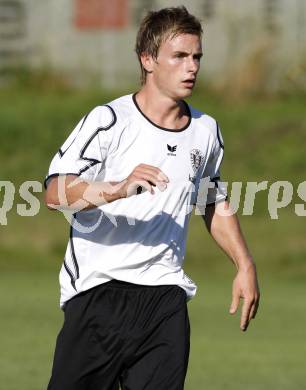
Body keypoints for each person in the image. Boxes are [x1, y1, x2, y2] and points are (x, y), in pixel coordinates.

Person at [44, 6, 260, 390]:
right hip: (98, 293)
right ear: (148, 59)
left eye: (196, 57)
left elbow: (211, 200)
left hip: (165, 298)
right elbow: (55, 192)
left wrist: (244, 264)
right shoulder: (109, 120)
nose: (191, 67)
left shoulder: (205, 131)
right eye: (179, 56)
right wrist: (118, 188)